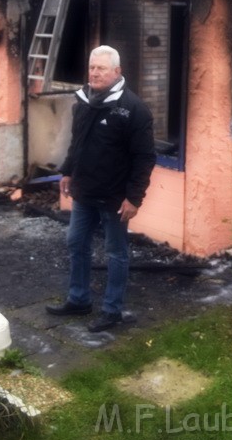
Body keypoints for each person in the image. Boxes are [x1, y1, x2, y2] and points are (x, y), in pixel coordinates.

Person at [46, 45, 156, 332]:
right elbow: (78, 142)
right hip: (84, 191)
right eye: (92, 67)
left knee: (115, 253)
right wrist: (68, 171)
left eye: (101, 68)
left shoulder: (134, 109)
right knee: (76, 243)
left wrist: (134, 198)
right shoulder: (83, 101)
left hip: (114, 198)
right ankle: (79, 299)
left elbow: (145, 158)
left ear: (117, 72)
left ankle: (112, 310)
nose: (94, 73)